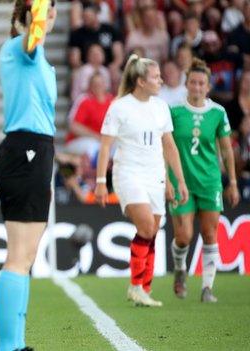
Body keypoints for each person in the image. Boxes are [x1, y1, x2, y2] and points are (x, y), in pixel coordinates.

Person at [95, 54, 189, 307]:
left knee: (151, 232)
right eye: (155, 77)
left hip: (155, 175)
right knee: (147, 227)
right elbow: (105, 147)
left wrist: (178, 180)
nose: (160, 81)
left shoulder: (160, 107)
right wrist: (101, 180)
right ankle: (136, 286)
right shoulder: (119, 107)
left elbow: (168, 145)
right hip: (128, 173)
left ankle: (143, 289)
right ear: (140, 82)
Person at [0, 1, 57, 350]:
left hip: (36, 151)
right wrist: (41, 6)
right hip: (25, 151)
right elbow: (33, 36)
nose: (49, 19)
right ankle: (7, 346)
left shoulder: (35, 57)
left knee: (25, 257)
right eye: (46, 12)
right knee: (18, 256)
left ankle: (16, 344)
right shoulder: (20, 48)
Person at [168, 58, 240, 303]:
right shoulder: (174, 112)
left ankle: (207, 288)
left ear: (208, 87)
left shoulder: (218, 113)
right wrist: (167, 180)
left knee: (210, 234)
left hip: (210, 182)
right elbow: (165, 147)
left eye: (201, 83)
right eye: (193, 82)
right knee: (184, 236)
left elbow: (227, 150)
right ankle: (180, 270)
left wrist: (232, 182)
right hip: (181, 183)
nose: (197, 87)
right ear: (186, 84)